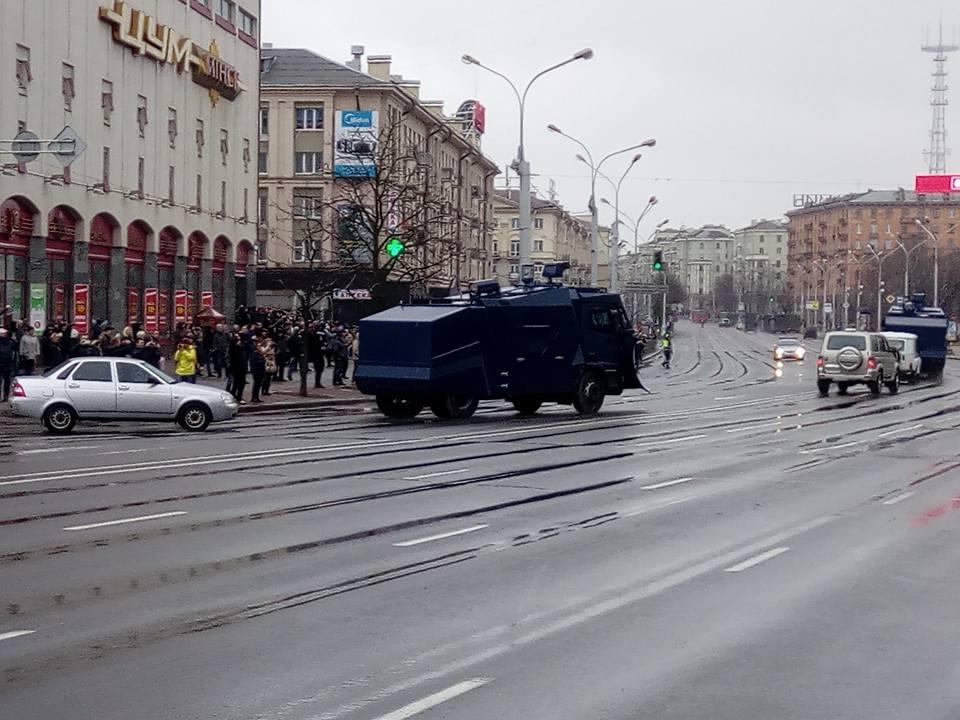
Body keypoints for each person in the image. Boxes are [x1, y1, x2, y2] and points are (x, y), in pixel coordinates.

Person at [228, 333, 248, 403]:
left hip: (242, 367)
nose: (239, 341)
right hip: (237, 367)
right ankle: (236, 396)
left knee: (239, 383)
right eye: (237, 339)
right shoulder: (234, 349)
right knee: (237, 383)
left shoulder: (241, 348)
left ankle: (237, 396)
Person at [249, 336, 267, 403]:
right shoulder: (254, 352)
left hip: (260, 370)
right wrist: (263, 360)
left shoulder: (258, 352)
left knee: (258, 384)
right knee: (256, 384)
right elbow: (255, 361)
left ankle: (256, 397)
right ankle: (254, 397)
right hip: (256, 370)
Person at [0, 328, 15, 401]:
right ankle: (5, 396)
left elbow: (15, 348)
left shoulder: (9, 341)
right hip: (6, 363)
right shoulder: (9, 342)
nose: (4, 334)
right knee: (6, 381)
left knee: (7, 381)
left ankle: (6, 396)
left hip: (7, 364)